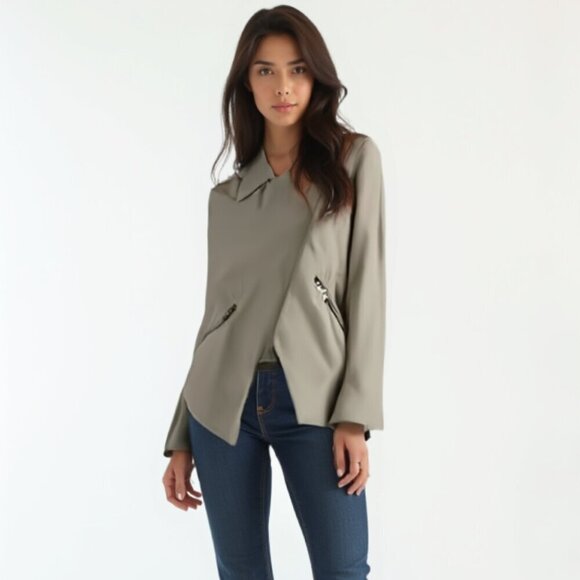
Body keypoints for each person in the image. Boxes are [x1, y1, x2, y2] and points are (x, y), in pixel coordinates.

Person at [161, 5, 386, 579]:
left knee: (343, 570)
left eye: (297, 69)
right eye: (266, 71)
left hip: (315, 398)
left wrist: (355, 415)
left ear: (316, 78)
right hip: (223, 406)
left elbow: (368, 288)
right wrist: (180, 434)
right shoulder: (227, 199)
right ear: (247, 82)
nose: (283, 86)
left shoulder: (353, 161)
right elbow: (214, 319)